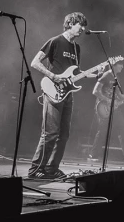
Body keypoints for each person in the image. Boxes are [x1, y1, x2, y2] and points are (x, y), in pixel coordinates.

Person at [27, 12, 87, 179]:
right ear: (70, 23)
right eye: (80, 25)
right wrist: (53, 76)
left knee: (64, 134)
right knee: (51, 133)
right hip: (52, 90)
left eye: (84, 26)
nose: (82, 29)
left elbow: (76, 72)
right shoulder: (55, 41)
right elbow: (35, 62)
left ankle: (51, 169)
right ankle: (35, 169)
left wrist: (94, 73)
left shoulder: (76, 48)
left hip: (68, 93)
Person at [87, 62, 124, 162]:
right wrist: (108, 100)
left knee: (123, 128)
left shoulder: (116, 78)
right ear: (114, 65)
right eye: (120, 64)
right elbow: (95, 91)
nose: (122, 66)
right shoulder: (106, 75)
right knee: (103, 130)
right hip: (103, 107)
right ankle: (93, 155)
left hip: (114, 107)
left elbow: (120, 95)